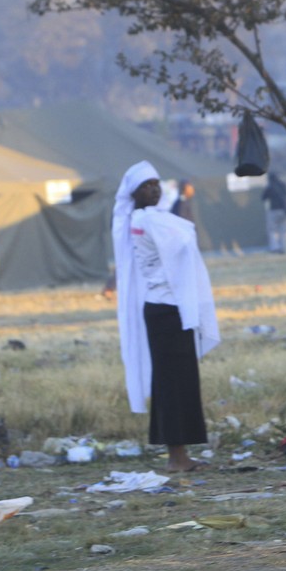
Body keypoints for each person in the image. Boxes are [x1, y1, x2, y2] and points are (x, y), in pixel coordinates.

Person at [113, 160, 221, 473]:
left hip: (167, 308)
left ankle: (179, 452)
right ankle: (177, 457)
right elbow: (185, 240)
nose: (155, 189)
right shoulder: (147, 220)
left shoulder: (153, 218)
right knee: (173, 381)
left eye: (157, 184)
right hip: (165, 310)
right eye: (147, 186)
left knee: (175, 380)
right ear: (134, 194)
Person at [261, 171, 286, 253]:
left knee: (271, 230)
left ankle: (275, 247)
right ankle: (282, 247)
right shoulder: (283, 185)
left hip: (274, 210)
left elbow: (263, 198)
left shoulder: (270, 187)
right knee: (282, 231)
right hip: (284, 211)